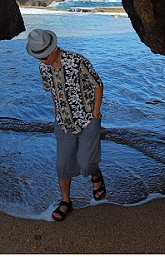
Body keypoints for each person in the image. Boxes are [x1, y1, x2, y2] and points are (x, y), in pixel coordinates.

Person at [26, 28, 106, 221]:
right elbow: (52, 89)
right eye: (38, 57)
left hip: (87, 119)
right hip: (63, 123)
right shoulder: (43, 67)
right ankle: (66, 201)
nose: (42, 60)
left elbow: (98, 84)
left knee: (86, 163)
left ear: (53, 49)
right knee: (62, 166)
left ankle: (95, 175)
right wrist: (56, 109)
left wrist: (95, 113)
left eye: (44, 56)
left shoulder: (77, 61)